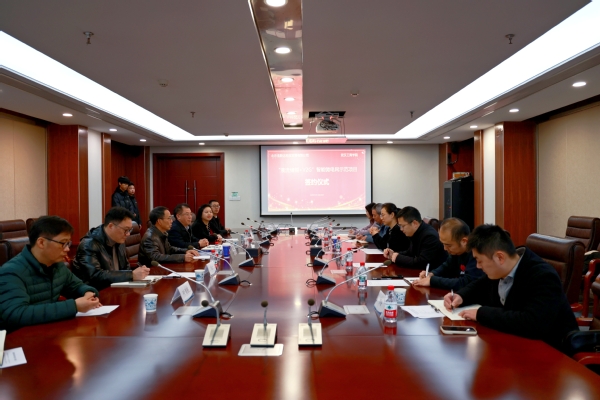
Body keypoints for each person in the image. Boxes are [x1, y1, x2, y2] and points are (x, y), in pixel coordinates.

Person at [443, 224, 578, 350]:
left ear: (500, 258)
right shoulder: (501, 269)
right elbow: (479, 286)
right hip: (514, 343)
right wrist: (461, 296)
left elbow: (533, 323)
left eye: (480, 261)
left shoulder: (542, 276)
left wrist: (481, 313)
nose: (478, 266)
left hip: (551, 351)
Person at [0, 216, 101, 330]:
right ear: (41, 243)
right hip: (18, 337)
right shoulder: (11, 272)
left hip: (47, 331)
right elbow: (16, 314)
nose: (67, 249)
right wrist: (74, 306)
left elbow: (77, 286)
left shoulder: (56, 265)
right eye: (63, 243)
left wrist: (88, 293)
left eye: (68, 243)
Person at [72, 207, 150, 290]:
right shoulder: (89, 244)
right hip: (96, 293)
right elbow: (95, 276)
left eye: (129, 230)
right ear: (111, 226)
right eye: (126, 230)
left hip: (117, 289)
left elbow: (125, 267)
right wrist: (131, 275)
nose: (128, 234)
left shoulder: (119, 241)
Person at [413, 217, 484, 290]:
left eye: (448, 245)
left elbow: (466, 283)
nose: (445, 248)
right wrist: (431, 274)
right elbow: (446, 267)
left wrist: (432, 281)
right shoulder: (456, 252)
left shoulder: (477, 254)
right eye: (443, 244)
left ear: (464, 241)